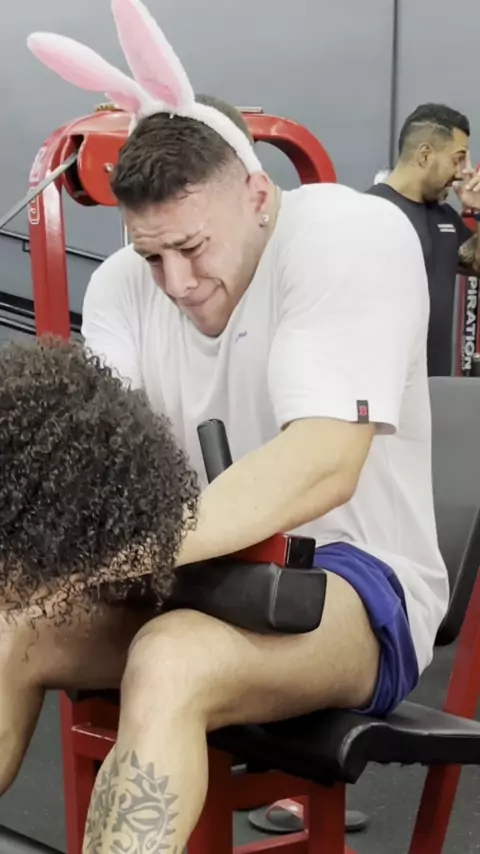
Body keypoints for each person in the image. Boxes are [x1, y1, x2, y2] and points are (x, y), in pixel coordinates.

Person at [5, 3, 447, 852]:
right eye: (152, 254)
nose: (175, 281)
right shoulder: (126, 285)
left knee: (173, 656)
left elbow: (322, 464)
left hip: (355, 580)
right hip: (195, 572)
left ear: (255, 193)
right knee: (9, 616)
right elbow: (97, 466)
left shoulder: (347, 235)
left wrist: (123, 549)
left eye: (194, 247)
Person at [367, 103, 480, 376]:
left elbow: (476, 263)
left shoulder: (444, 217)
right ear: (425, 155)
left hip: (435, 386)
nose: (461, 173)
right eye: (457, 159)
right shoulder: (369, 211)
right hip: (382, 385)